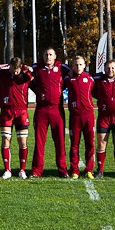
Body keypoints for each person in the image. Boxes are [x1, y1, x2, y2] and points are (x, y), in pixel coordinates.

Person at [30, 47, 70, 178]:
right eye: (46, 54)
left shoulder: (62, 67)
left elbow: (75, 72)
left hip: (57, 109)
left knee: (60, 141)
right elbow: (25, 73)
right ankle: (36, 170)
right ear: (43, 56)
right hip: (41, 109)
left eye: (50, 54)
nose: (48, 57)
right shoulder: (37, 68)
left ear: (55, 56)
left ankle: (62, 170)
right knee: (39, 142)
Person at [0, 57, 33, 179]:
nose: (16, 72)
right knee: (5, 139)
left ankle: (22, 170)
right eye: (13, 69)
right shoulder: (3, 74)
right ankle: (7, 169)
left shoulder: (25, 75)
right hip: (6, 111)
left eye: (18, 69)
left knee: (22, 141)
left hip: (21, 112)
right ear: (10, 66)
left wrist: (26, 69)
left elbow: (32, 74)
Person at [92, 60, 115, 178]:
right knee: (101, 143)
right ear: (104, 69)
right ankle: (100, 170)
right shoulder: (98, 80)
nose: (110, 70)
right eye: (108, 68)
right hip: (104, 117)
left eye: (112, 68)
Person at [64, 56, 96, 180]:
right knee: (74, 144)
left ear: (84, 66)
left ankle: (89, 170)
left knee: (90, 144)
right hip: (75, 116)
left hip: (88, 115)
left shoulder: (90, 79)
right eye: (76, 65)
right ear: (73, 66)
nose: (78, 67)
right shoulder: (68, 79)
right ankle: (74, 170)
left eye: (80, 64)